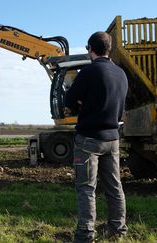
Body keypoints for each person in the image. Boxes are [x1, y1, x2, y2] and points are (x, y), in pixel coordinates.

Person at [64, 32, 128, 243]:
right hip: (113, 139)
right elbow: (120, 109)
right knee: (114, 185)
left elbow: (69, 100)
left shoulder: (88, 71)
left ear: (91, 48)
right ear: (108, 49)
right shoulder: (121, 74)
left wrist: (83, 102)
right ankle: (117, 229)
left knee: (86, 188)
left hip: (89, 140)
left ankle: (85, 234)